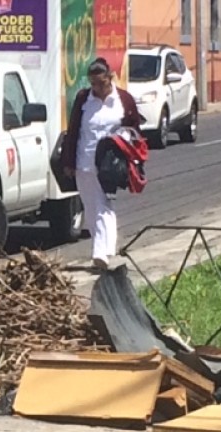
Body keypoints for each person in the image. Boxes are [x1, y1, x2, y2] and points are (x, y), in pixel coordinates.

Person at [61, 57, 141, 271]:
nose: (96, 88)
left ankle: (100, 253)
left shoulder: (123, 99)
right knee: (90, 206)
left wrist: (127, 150)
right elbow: (74, 129)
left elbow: (135, 129)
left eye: (101, 83)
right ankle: (106, 249)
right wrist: (68, 161)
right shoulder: (84, 99)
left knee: (103, 204)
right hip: (83, 161)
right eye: (92, 83)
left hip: (109, 164)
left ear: (110, 78)